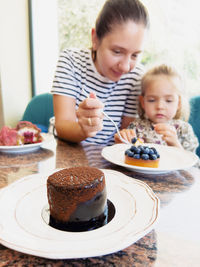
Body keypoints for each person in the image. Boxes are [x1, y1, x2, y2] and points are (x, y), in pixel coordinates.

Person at [51, 0, 149, 145]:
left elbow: (125, 135)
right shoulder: (71, 61)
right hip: (68, 151)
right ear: (95, 39)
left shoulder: (135, 77)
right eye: (117, 52)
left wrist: (125, 138)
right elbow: (62, 125)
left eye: (135, 55)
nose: (125, 67)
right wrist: (82, 129)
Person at [115, 64, 199, 153]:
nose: (160, 106)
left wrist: (175, 144)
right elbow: (123, 154)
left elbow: (193, 164)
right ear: (143, 102)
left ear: (178, 103)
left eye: (168, 100)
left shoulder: (184, 130)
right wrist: (121, 142)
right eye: (152, 100)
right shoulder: (136, 127)